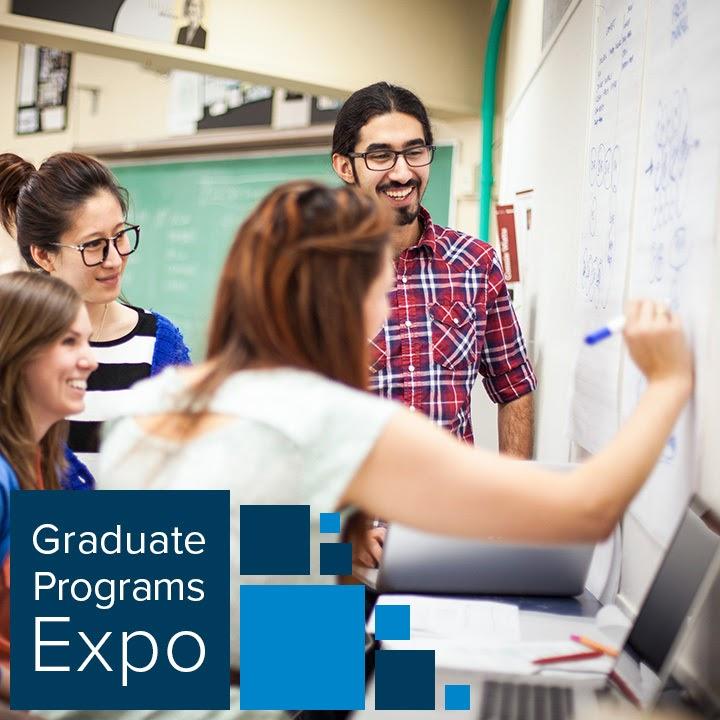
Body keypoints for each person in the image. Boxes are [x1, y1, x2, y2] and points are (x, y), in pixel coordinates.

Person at [98, 182, 691, 718]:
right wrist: (666, 384)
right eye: (381, 295)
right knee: (451, 698)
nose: (381, 320)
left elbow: (202, 573)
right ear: (346, 299)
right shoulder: (327, 418)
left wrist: (331, 551)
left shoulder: (144, 406)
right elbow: (586, 508)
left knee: (421, 679)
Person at [331, 81, 536, 564]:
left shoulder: (476, 264)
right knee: (324, 645)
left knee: (427, 644)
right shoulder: (303, 272)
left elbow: (514, 387)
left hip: (447, 543)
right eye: (380, 155)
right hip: (334, 557)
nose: (401, 172)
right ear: (345, 166)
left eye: (415, 152)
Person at [0, 152, 191, 479]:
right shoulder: (15, 350)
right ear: (44, 254)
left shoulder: (160, 343)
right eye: (94, 245)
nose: (114, 259)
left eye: (120, 236)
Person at [0, 271, 97, 702]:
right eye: (69, 342)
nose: (90, 360)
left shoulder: (51, 466)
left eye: (88, 341)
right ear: (17, 351)